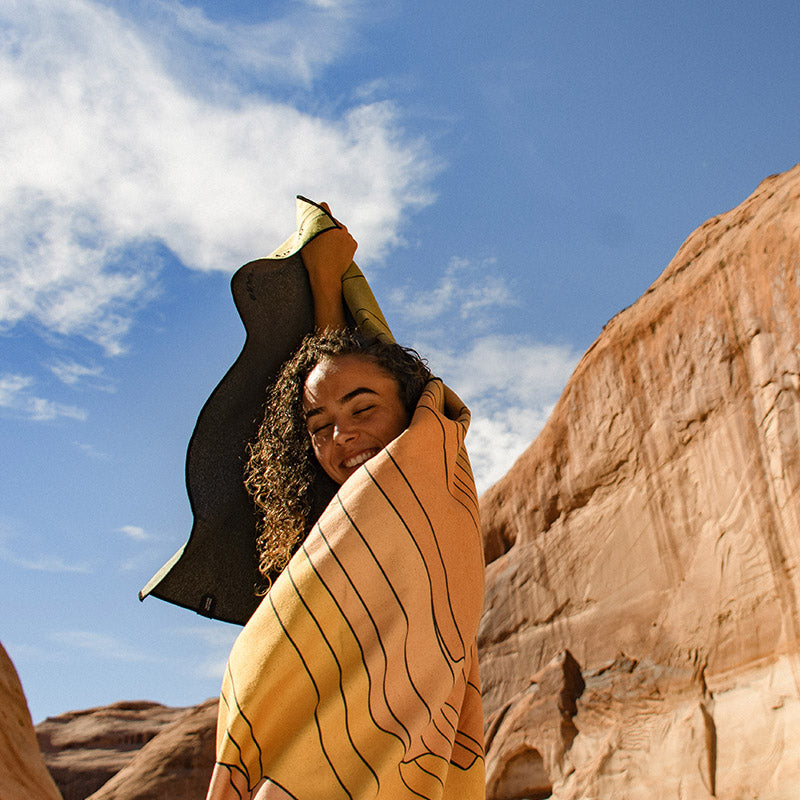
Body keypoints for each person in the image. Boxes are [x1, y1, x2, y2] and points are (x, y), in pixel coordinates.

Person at [206, 201, 486, 800]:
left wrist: (329, 280)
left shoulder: (428, 485)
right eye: (318, 426)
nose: (342, 436)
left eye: (364, 410)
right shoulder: (328, 529)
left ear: (411, 412)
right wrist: (327, 279)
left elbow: (367, 368)